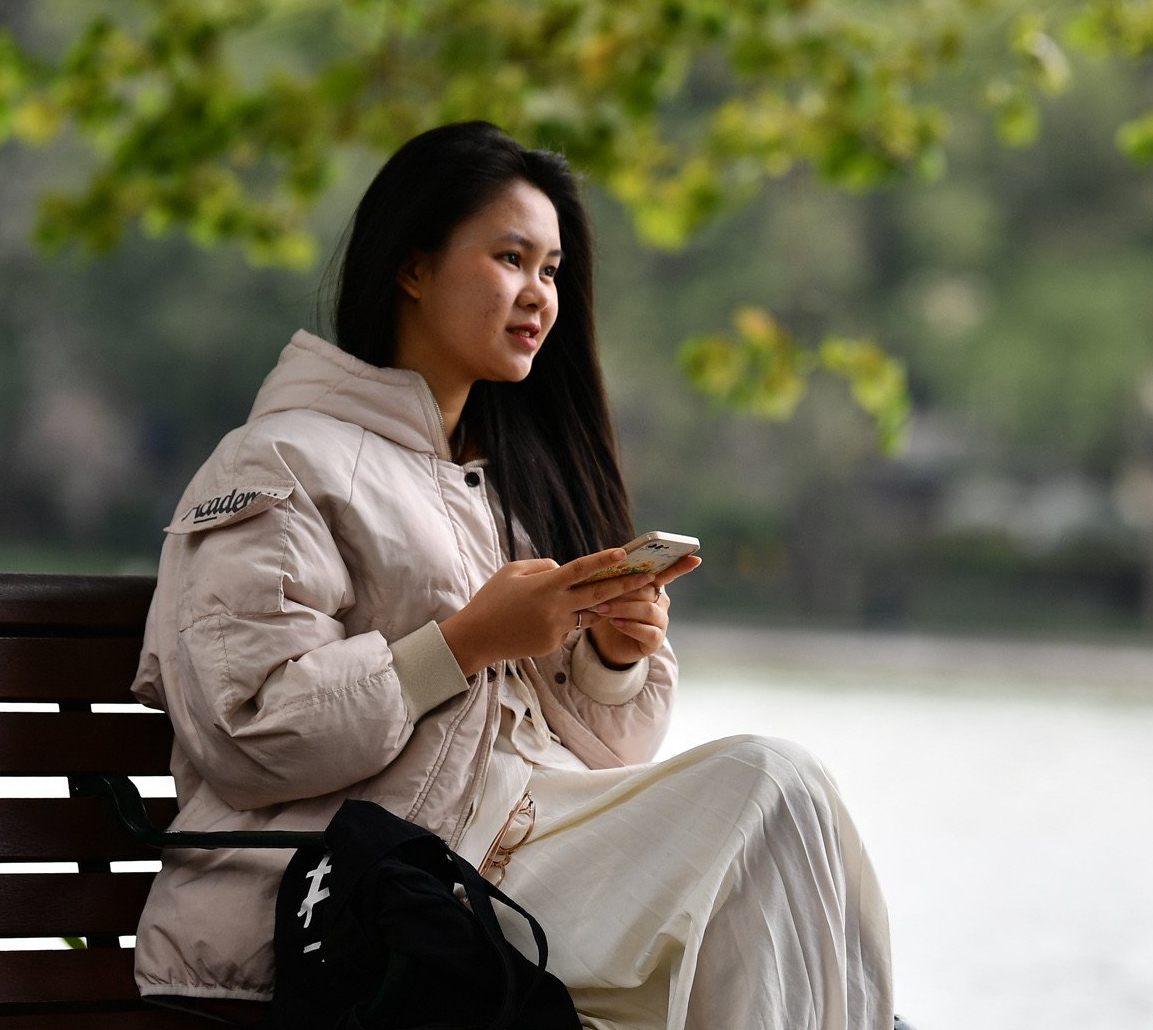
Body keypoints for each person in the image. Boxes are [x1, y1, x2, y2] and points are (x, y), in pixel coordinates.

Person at [130, 121, 896, 1028]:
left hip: (509, 852)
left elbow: (609, 753)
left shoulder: (502, 488)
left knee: (781, 838)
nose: (538, 295)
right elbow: (250, 730)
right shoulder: (279, 461)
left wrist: (612, 657)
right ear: (414, 267)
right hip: (365, 893)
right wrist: (463, 644)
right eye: (510, 258)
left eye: (552, 270)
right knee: (771, 788)